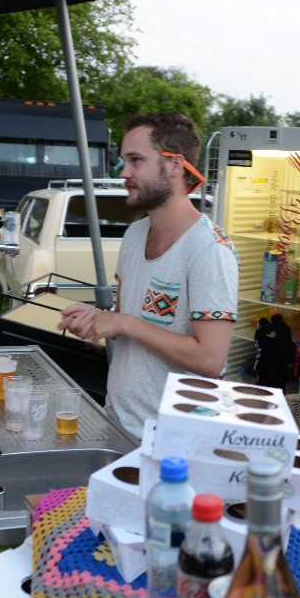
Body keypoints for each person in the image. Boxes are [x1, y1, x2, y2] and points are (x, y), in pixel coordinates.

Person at [58, 111, 239, 438]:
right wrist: (100, 321)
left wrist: (125, 323)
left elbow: (210, 359)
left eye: (136, 160)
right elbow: (133, 322)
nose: (124, 172)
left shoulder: (209, 248)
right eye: (124, 161)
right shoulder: (135, 235)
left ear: (174, 165)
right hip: (117, 422)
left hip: (173, 441)